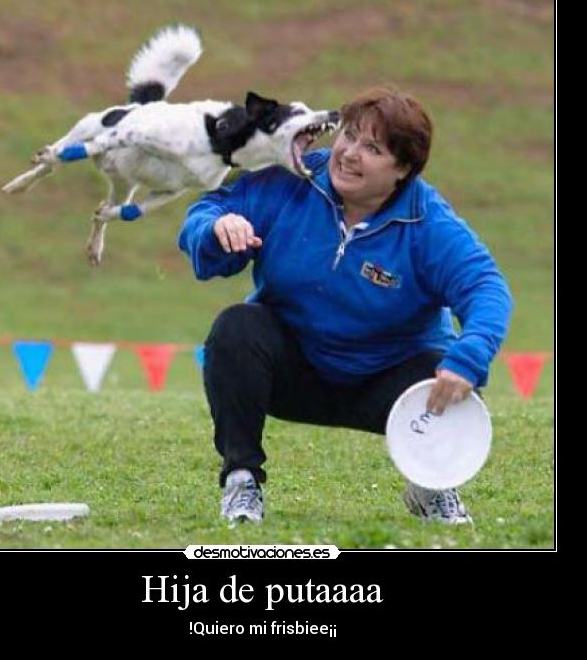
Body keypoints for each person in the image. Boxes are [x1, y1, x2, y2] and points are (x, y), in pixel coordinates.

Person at [179, 87, 513, 527]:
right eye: (349, 136)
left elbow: (487, 287)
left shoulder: (429, 222)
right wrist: (218, 226)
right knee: (237, 328)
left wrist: (468, 358)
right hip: (294, 372)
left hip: (391, 388)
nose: (350, 153)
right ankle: (242, 481)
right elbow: (209, 209)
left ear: (403, 170)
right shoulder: (295, 179)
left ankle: (431, 483)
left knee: (448, 372)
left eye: (372, 148)